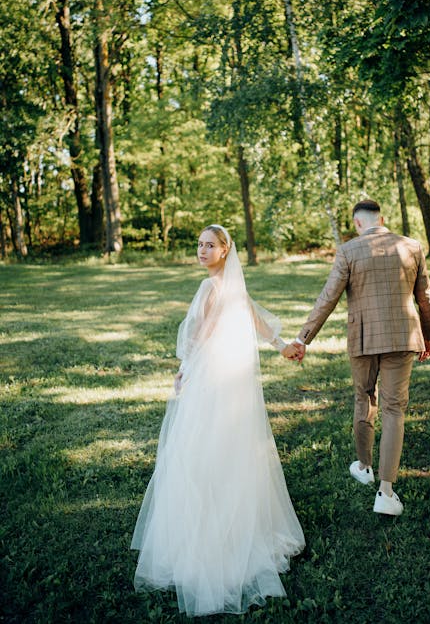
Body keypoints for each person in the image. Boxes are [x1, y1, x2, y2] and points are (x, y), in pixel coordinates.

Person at [131, 224, 304, 616]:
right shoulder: (228, 286)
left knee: (203, 449)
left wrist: (185, 368)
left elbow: (206, 331)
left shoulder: (212, 288)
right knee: (229, 446)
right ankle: (233, 525)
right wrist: (280, 345)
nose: (202, 250)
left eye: (210, 245)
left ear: (225, 250)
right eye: (199, 245)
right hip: (232, 377)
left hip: (214, 377)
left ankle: (210, 537)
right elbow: (254, 319)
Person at [282, 200, 430, 516]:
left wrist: (302, 339)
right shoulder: (412, 246)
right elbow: (425, 297)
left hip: (363, 338)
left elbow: (328, 297)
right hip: (403, 336)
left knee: (364, 399)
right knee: (394, 409)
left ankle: (365, 467)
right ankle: (386, 492)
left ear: (357, 223)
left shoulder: (348, 251)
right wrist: (429, 333)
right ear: (382, 219)